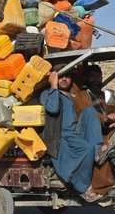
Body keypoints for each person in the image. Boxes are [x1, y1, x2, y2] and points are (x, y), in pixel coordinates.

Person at [40, 64, 109, 202]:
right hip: (62, 136)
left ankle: (97, 151)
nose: (64, 78)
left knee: (89, 111)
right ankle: (83, 187)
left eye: (67, 76)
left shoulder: (73, 96)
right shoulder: (48, 93)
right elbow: (53, 108)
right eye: (60, 76)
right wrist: (53, 85)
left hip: (76, 132)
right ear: (54, 77)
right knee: (86, 148)